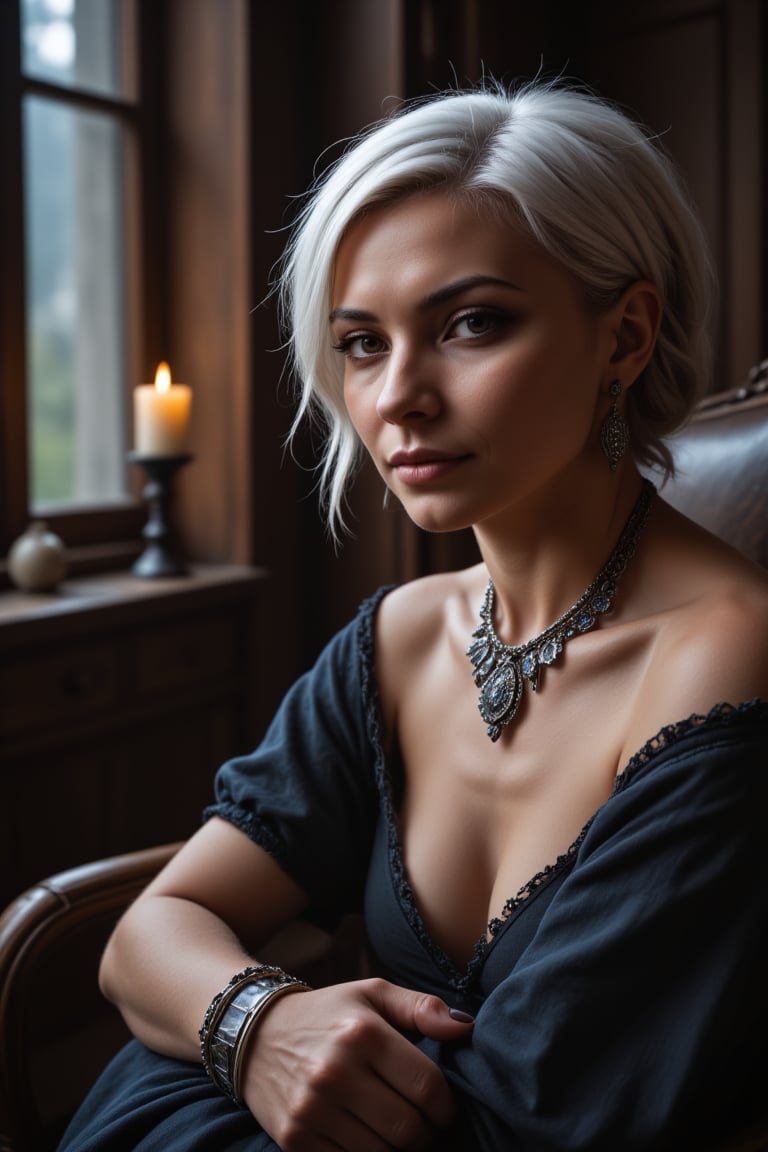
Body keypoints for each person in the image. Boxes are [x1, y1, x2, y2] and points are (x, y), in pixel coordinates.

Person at [58, 81, 768, 1152]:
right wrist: (264, 1028)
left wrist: (214, 1018)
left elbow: (528, 1119)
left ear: (625, 336)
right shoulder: (396, 641)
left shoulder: (730, 658)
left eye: (472, 324)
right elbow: (147, 936)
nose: (398, 397)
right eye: (361, 343)